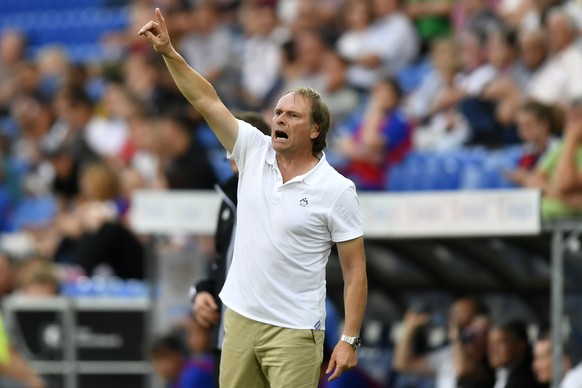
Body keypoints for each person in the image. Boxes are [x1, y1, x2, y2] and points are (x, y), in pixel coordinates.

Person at [139, 8, 367, 388]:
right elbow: (206, 100)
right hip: (240, 320)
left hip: (294, 330)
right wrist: (169, 53)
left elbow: (355, 270)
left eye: (292, 115)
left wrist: (349, 338)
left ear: (314, 130)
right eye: (277, 112)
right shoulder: (253, 151)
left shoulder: (337, 189)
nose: (279, 119)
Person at [191, 111, 271, 387]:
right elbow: (222, 263)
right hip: (227, 338)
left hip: (270, 338)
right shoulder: (228, 199)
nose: (228, 155)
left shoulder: (282, 196)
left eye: (232, 143)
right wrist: (202, 291)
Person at [393, 296, 493, 388]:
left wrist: (457, 337)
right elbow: (403, 364)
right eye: (454, 312)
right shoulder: (449, 353)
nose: (454, 318)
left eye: (461, 313)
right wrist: (410, 326)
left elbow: (463, 371)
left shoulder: (489, 354)